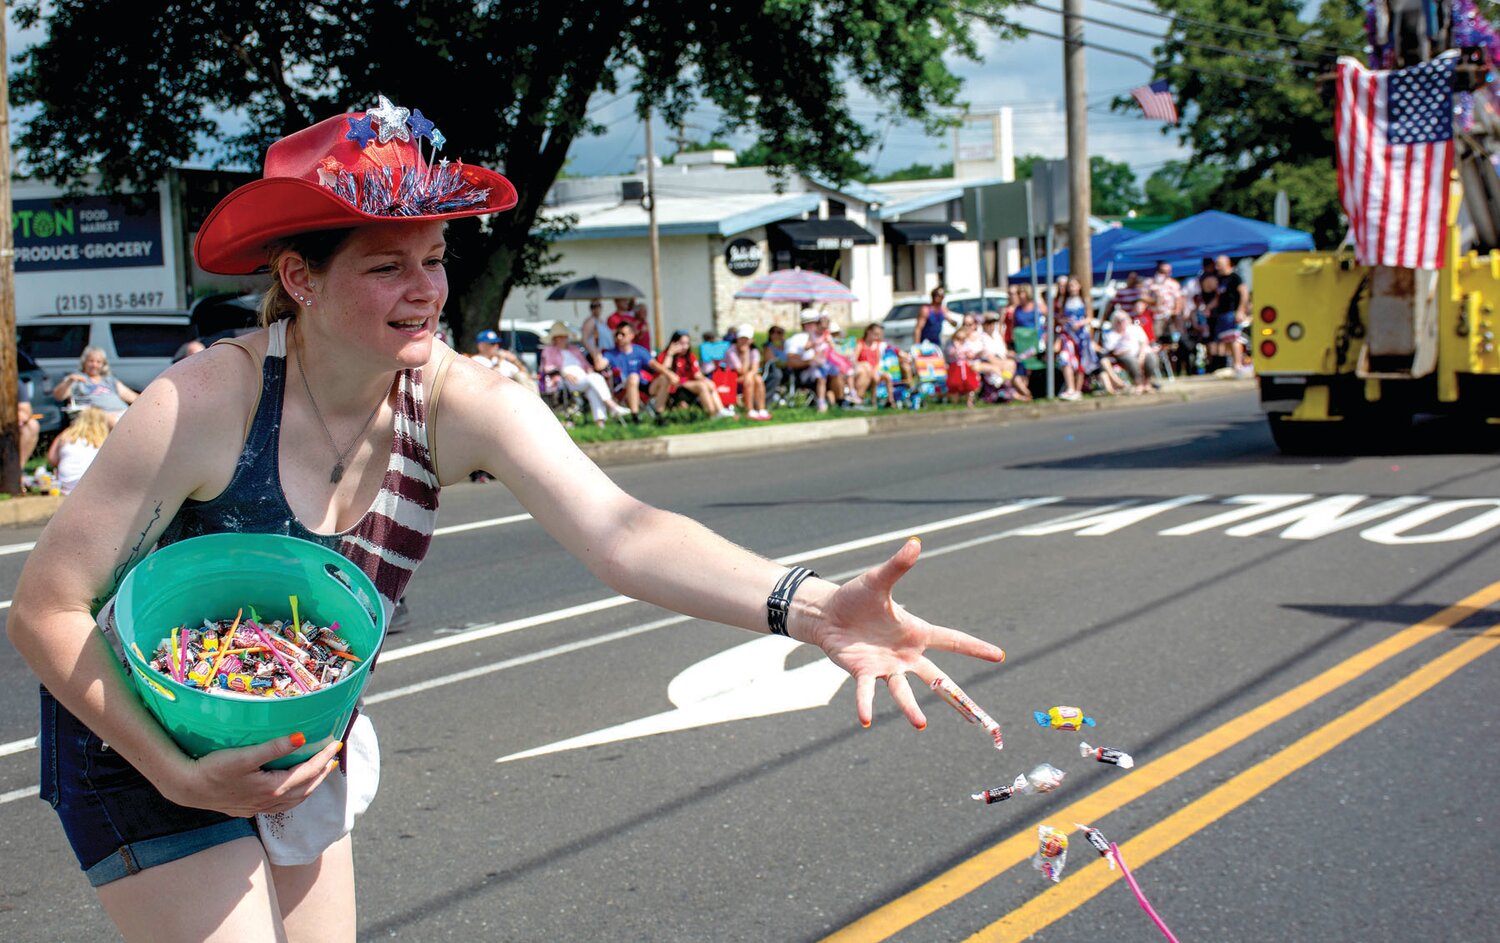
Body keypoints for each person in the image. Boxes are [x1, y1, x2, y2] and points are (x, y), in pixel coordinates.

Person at [7, 99, 1005, 941]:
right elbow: (45, 609)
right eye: (387, 266)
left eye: (435, 259)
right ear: (301, 280)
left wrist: (812, 605)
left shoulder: (457, 399)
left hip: (297, 734)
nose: (428, 291)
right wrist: (177, 769)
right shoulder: (202, 406)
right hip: (132, 739)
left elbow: (622, 530)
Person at [539, 321, 632, 427]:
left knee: (593, 388)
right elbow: (548, 368)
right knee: (594, 379)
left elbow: (585, 364)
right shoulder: (549, 350)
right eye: (560, 336)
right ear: (554, 338)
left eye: (564, 336)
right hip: (565, 380)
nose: (562, 339)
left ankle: (600, 423)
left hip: (583, 377)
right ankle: (612, 406)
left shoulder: (574, 349)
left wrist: (589, 370)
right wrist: (564, 374)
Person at [655, 330, 733, 419]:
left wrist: (707, 381)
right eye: (682, 343)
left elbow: (697, 374)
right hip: (674, 387)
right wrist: (670, 354)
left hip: (688, 384)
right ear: (674, 343)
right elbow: (663, 372)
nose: (685, 347)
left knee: (708, 384)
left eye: (687, 344)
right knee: (701, 386)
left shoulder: (690, 356)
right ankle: (712, 414)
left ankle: (719, 410)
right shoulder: (665, 355)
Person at [52, 347, 138, 424]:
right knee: (115, 422)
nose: (94, 365)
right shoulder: (77, 379)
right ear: (84, 362)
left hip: (122, 413)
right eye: (91, 361)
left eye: (98, 362)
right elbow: (58, 396)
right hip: (97, 416)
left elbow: (131, 396)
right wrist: (69, 381)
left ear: (103, 365)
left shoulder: (108, 379)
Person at [600, 321, 665, 418]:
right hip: (622, 387)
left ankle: (660, 415)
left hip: (641, 385)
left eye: (622, 334)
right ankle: (635, 416)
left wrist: (670, 374)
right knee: (633, 377)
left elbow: (653, 364)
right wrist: (595, 348)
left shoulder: (639, 350)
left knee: (664, 379)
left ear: (631, 335)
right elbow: (600, 365)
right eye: (617, 334)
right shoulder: (610, 354)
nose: (619, 337)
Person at [785, 310, 845, 412]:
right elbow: (791, 361)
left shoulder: (824, 336)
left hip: (826, 368)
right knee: (821, 374)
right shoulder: (796, 339)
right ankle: (825, 401)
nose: (816, 326)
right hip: (807, 372)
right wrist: (810, 362)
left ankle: (841, 401)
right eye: (813, 323)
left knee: (838, 371)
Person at [46, 406, 111, 495]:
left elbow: (52, 459)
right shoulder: (104, 439)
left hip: (66, 484)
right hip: (93, 486)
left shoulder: (66, 435)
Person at [1213, 255, 1251, 374]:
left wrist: (1240, 310)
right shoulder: (1220, 279)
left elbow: (1244, 293)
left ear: (1227, 263)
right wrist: (1208, 307)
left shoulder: (1235, 277)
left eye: (1219, 263)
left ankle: (1238, 364)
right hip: (1222, 313)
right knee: (1227, 339)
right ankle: (1234, 363)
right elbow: (1218, 297)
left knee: (1235, 338)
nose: (1217, 266)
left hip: (1233, 312)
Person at [725, 324, 770, 420]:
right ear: (737, 338)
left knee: (758, 379)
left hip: (745, 378)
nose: (743, 341)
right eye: (741, 338)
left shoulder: (754, 351)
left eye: (746, 338)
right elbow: (740, 371)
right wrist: (745, 355)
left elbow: (755, 368)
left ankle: (761, 409)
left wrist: (749, 375)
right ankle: (749, 410)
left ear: (751, 340)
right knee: (751, 379)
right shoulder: (731, 351)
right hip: (730, 379)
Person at [579, 300, 612, 370]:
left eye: (598, 306)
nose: (596, 309)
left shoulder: (602, 321)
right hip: (597, 355)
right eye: (594, 306)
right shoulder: (590, 321)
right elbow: (584, 339)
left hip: (606, 354)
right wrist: (593, 354)